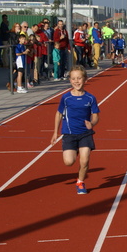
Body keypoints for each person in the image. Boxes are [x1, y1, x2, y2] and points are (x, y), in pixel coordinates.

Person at [51, 65, 100, 195]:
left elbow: (95, 115)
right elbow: (58, 114)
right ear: (70, 80)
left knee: (85, 160)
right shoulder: (66, 98)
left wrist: (92, 123)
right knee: (69, 162)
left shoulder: (90, 98)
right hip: (69, 134)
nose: (76, 81)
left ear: (85, 79)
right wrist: (55, 132)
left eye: (79, 78)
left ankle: (80, 182)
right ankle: (75, 150)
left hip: (85, 133)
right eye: (73, 78)